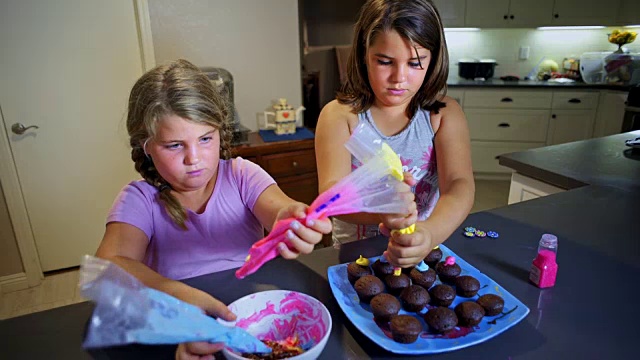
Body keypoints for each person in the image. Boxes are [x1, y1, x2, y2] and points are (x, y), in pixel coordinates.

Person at [95, 59, 331, 360]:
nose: (194, 158)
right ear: (147, 147)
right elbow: (107, 269)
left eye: (205, 139)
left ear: (221, 131)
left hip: (246, 320)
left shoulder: (242, 175)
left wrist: (292, 219)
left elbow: (279, 208)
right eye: (174, 145)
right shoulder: (139, 200)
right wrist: (174, 292)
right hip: (178, 326)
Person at [315, 0, 475, 268]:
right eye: (385, 61)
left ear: (433, 58)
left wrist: (429, 233)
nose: (399, 78)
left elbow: (459, 185)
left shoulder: (444, 115)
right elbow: (330, 197)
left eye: (415, 63)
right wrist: (381, 205)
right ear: (364, 55)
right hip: (355, 256)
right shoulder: (340, 117)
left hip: (421, 249)